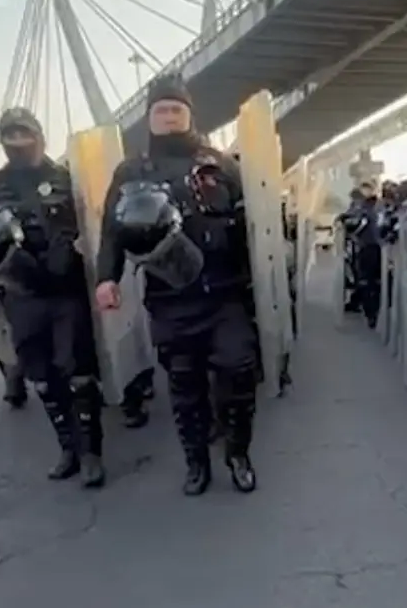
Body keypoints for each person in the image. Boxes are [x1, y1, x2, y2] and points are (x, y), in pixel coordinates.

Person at [94, 74, 259, 496]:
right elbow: (112, 230)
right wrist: (106, 278)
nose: (169, 117)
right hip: (170, 298)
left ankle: (238, 453)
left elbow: (251, 223)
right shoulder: (131, 171)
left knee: (238, 374)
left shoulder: (220, 164)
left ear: (189, 115)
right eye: (161, 110)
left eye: (176, 110)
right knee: (184, 387)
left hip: (224, 292)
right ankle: (196, 463)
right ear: (150, 118)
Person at [0, 108, 106, 487]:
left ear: (40, 137)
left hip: (66, 291)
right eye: (9, 136)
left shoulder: (67, 177)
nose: (17, 141)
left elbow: (100, 211)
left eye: (24, 134)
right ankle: (68, 449)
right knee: (40, 375)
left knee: (77, 371)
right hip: (21, 293)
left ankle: (92, 452)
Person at [338, 181, 381, 327]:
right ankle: (360, 303)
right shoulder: (362, 205)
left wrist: (347, 221)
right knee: (362, 278)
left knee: (367, 280)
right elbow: (353, 216)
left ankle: (371, 313)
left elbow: (359, 222)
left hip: (371, 245)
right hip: (364, 245)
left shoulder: (372, 206)